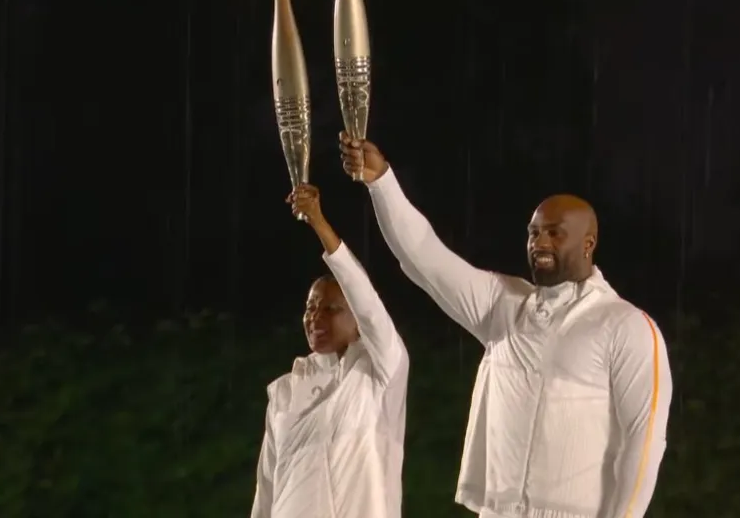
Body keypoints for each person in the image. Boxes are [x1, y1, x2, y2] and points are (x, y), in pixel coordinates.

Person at [339, 132, 673, 518]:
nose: (539, 242)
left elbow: (643, 442)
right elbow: (423, 259)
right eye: (533, 232)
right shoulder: (503, 305)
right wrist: (381, 183)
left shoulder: (626, 325)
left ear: (588, 243)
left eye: (554, 233)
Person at [250, 183, 409, 518]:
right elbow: (265, 494)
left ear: (358, 321)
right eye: (310, 307)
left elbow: (365, 298)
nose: (315, 317)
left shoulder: (380, 373)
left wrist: (320, 224)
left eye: (331, 309)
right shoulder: (284, 393)